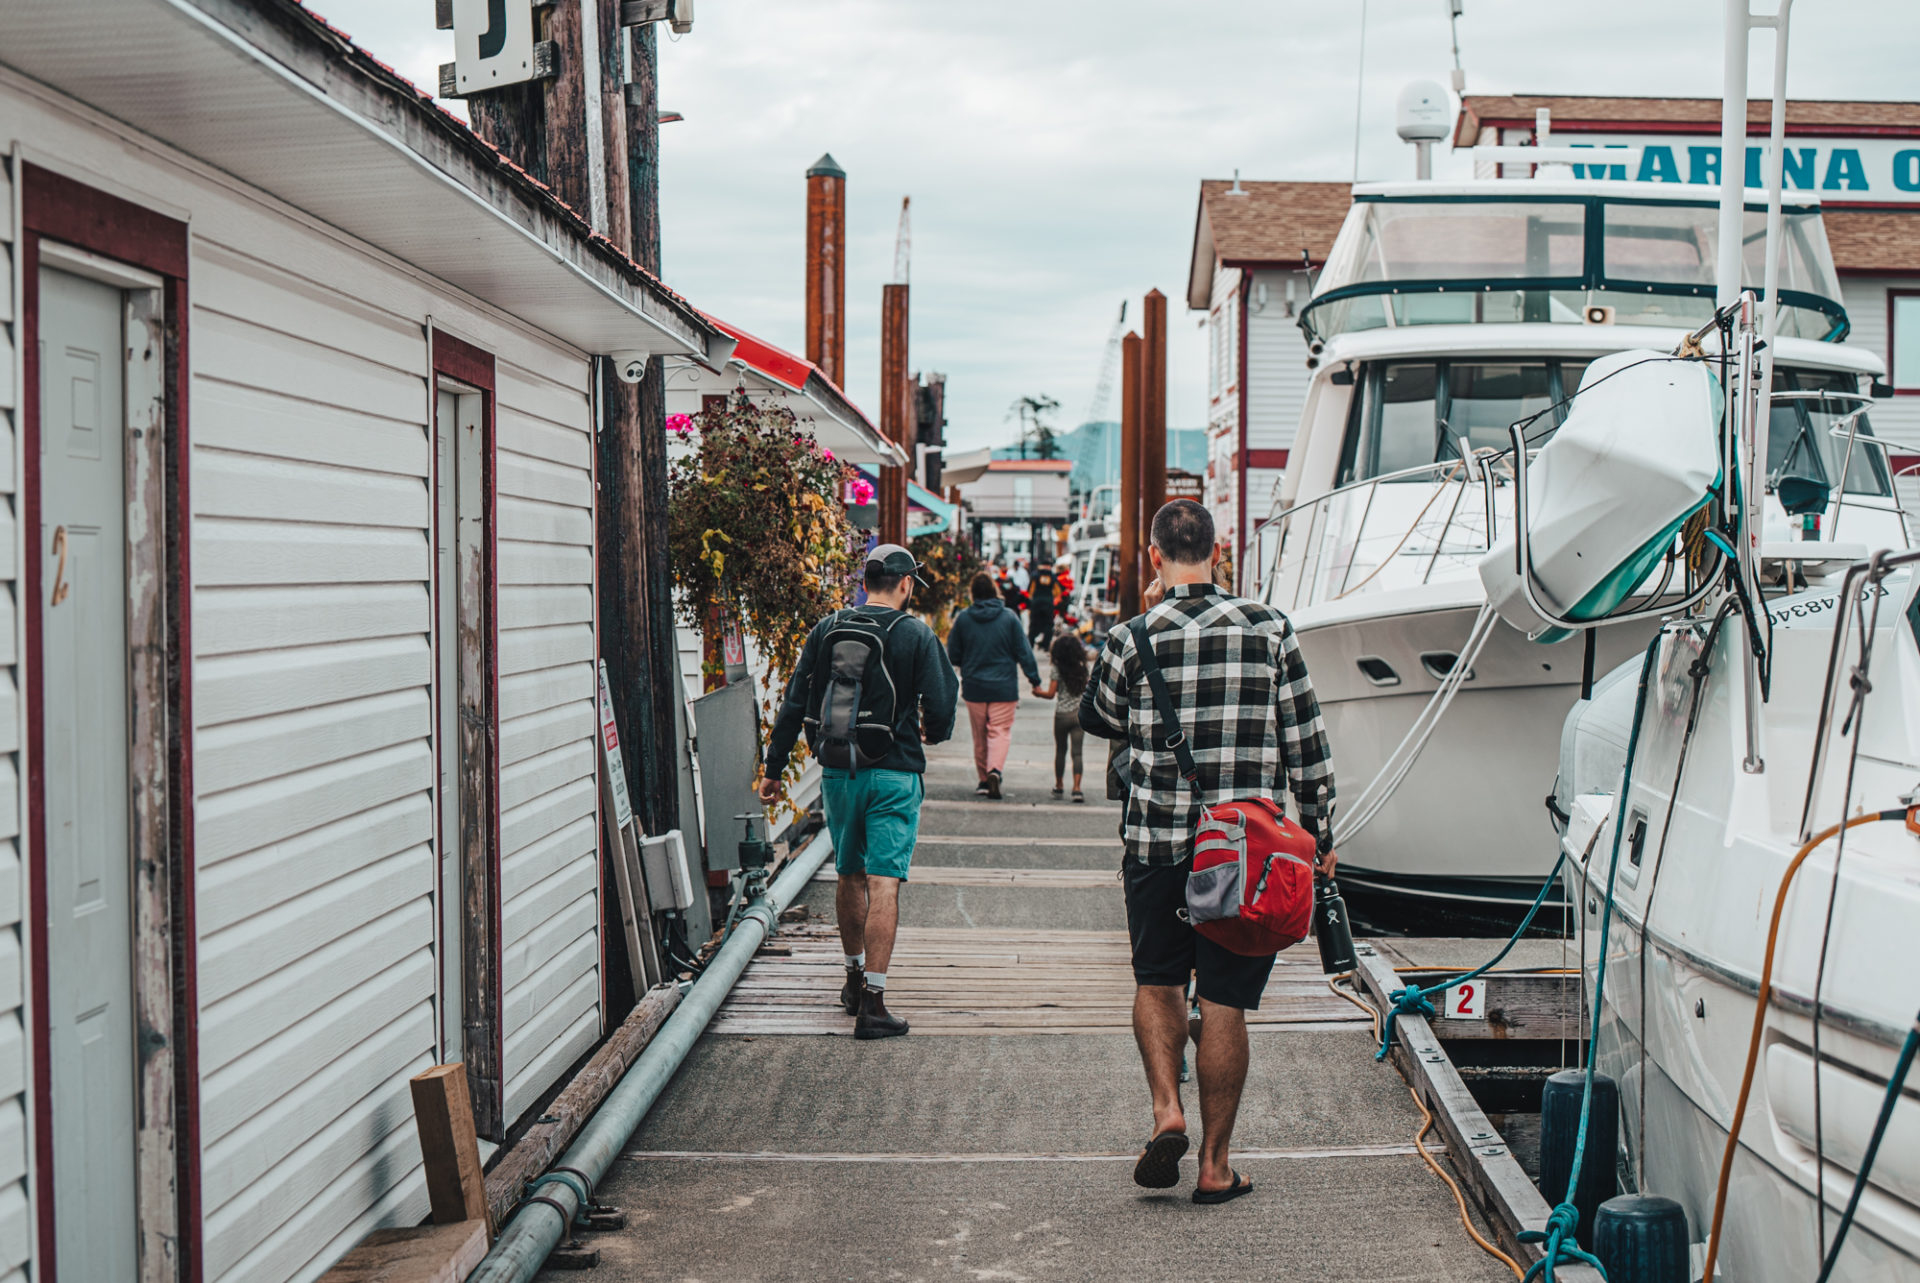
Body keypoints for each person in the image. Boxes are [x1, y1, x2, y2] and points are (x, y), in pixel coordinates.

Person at [1081, 499, 1336, 1203]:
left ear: (1155, 557)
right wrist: (1321, 832)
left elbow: (1098, 712)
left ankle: (1167, 1107)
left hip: (1157, 839)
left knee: (1158, 980)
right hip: (1246, 854)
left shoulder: (1131, 635)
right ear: (1218, 553)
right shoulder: (1269, 627)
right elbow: (1306, 743)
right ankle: (1217, 1166)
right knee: (1224, 1000)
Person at [760, 543, 958, 1039]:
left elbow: (794, 701)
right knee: (883, 882)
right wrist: (932, 731)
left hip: (838, 771)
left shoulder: (827, 628)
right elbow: (941, 703)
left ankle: (850, 978)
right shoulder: (915, 633)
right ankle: (873, 1000)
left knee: (848, 875)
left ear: (865, 582)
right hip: (894, 772)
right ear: (907, 584)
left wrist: (773, 768)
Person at [946, 571, 1042, 799]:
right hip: (1004, 687)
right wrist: (1035, 680)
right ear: (994, 590)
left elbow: (953, 654)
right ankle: (995, 770)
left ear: (973, 593)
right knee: (999, 731)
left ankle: (982, 781)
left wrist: (967, 661)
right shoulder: (1009, 617)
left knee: (979, 735)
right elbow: (1024, 651)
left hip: (974, 687)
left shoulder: (964, 618)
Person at [1032, 631, 1089, 802]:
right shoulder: (1082, 668)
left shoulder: (1057, 669)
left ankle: (1059, 786)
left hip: (1062, 715)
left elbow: (1050, 694)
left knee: (1061, 751)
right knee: (1077, 753)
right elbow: (1087, 690)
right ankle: (1077, 788)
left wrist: (1038, 693)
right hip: (1079, 715)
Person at [1027, 560, 1059, 648]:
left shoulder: (1035, 575)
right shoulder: (1052, 576)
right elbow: (1057, 591)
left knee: (1033, 624)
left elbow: (1030, 590)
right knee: (1048, 624)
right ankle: (1045, 644)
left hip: (1036, 602)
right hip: (1048, 602)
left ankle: (1031, 643)